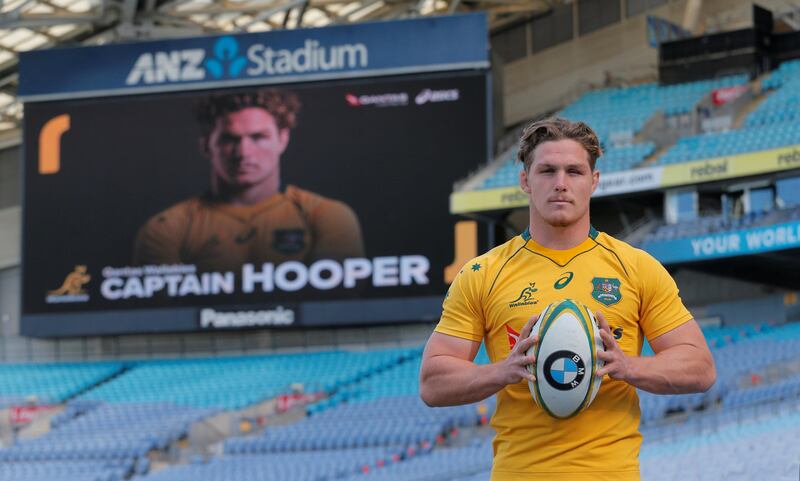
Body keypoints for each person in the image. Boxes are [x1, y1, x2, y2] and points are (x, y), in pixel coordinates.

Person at [419, 118, 716, 481]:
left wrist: (628, 367)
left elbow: (700, 368)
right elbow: (433, 383)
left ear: (594, 180)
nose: (560, 183)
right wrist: (501, 371)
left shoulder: (636, 267)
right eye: (547, 170)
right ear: (525, 180)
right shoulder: (483, 273)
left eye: (574, 171)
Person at [134, 89, 364, 272]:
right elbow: (168, 313)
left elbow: (331, 303)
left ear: (282, 139)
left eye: (258, 137)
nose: (243, 153)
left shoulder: (327, 216)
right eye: (229, 139)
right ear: (206, 145)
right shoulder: (166, 228)